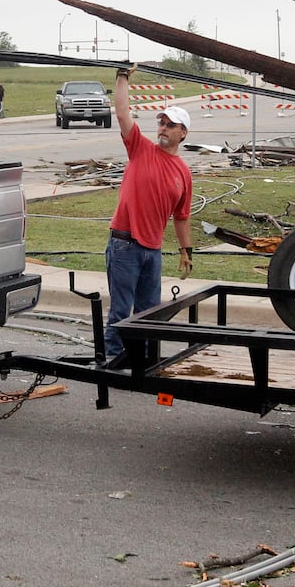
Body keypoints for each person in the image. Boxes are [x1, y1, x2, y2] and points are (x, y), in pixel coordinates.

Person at [102, 65, 193, 368]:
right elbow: (123, 113)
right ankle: (114, 362)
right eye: (162, 122)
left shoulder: (183, 172)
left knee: (149, 312)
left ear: (183, 133)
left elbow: (181, 217)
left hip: (152, 252)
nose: (164, 128)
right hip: (125, 245)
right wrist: (122, 78)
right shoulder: (140, 148)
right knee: (121, 311)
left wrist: (185, 250)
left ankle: (141, 361)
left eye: (171, 125)